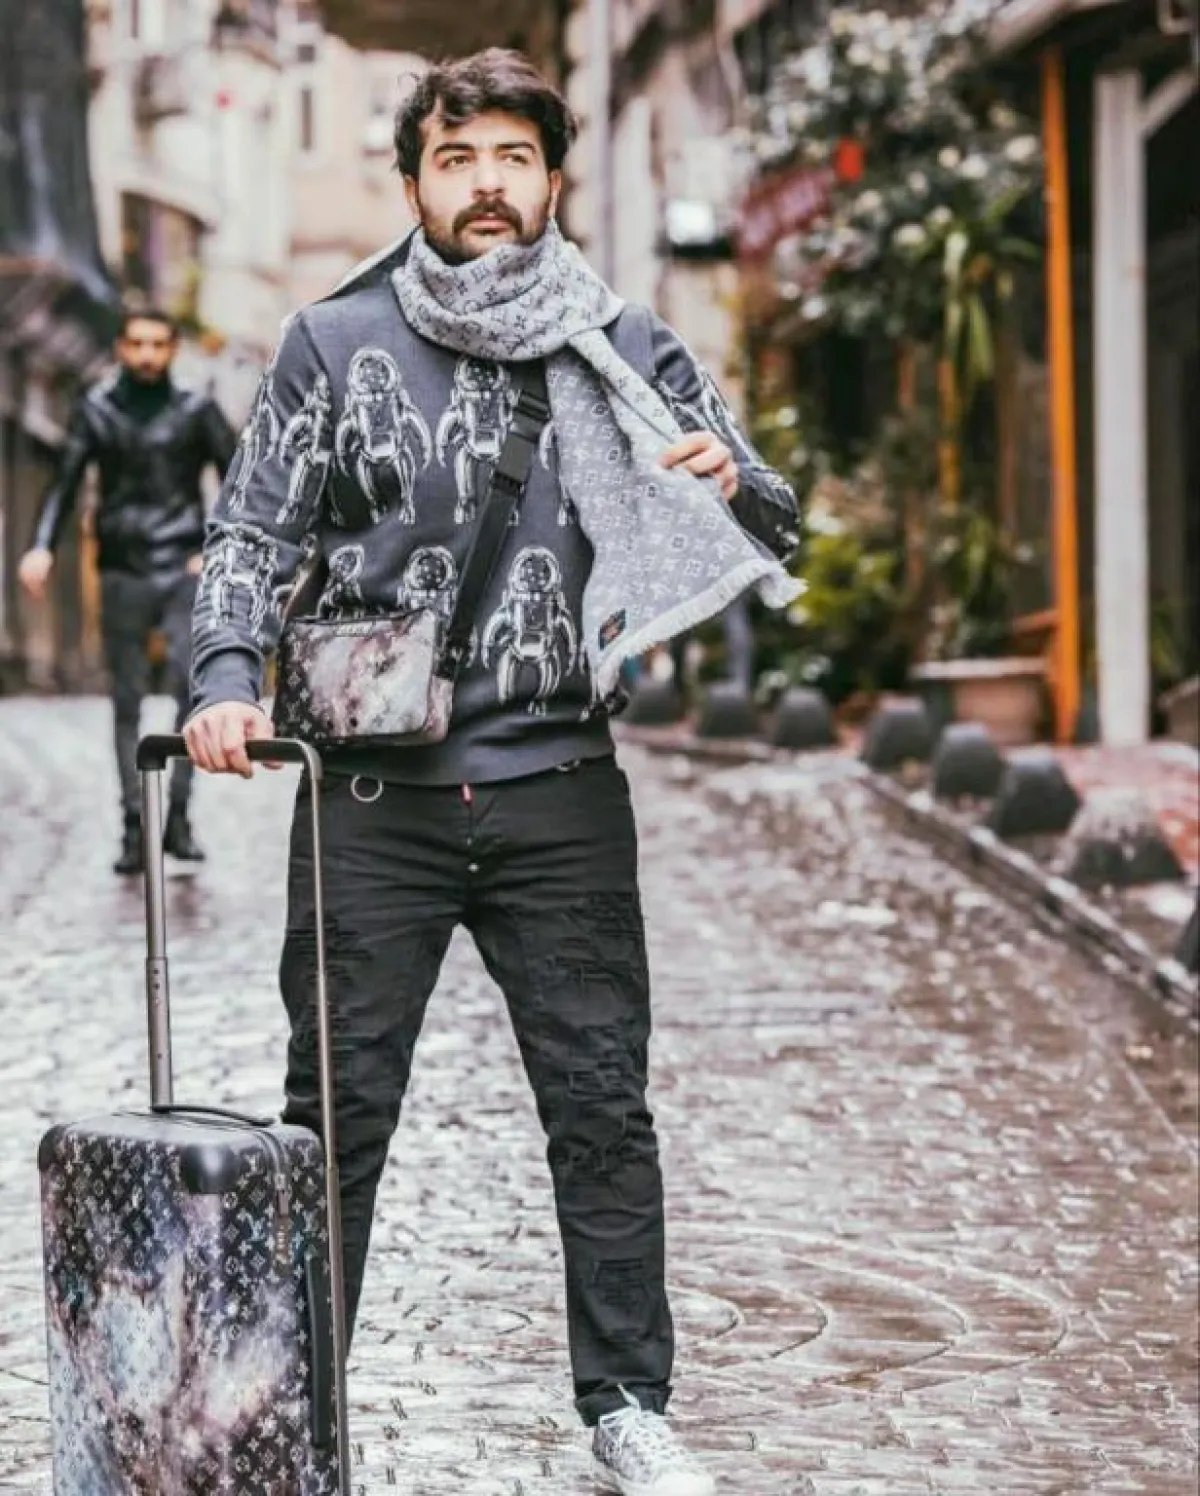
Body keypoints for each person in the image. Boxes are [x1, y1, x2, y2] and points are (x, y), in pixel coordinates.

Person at [183, 49, 800, 1496]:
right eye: (456, 159)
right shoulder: (331, 342)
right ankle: (292, 1413)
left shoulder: (622, 341)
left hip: (560, 782)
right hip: (370, 801)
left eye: (513, 157)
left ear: (551, 178)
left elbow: (775, 519)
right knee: (333, 1121)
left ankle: (629, 1405)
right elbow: (250, 537)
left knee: (601, 1109)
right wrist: (222, 681)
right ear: (414, 182)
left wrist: (733, 484)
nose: (486, 185)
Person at [19, 308, 237, 874]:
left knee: (190, 689)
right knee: (127, 700)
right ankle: (134, 825)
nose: (146, 355)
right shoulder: (97, 409)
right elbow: (65, 482)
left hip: (183, 564)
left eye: (157, 344)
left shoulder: (196, 408)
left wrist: (216, 551)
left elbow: (239, 482)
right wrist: (41, 546)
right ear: (120, 347)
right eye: (136, 344)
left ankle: (179, 815)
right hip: (122, 568)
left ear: (172, 349)